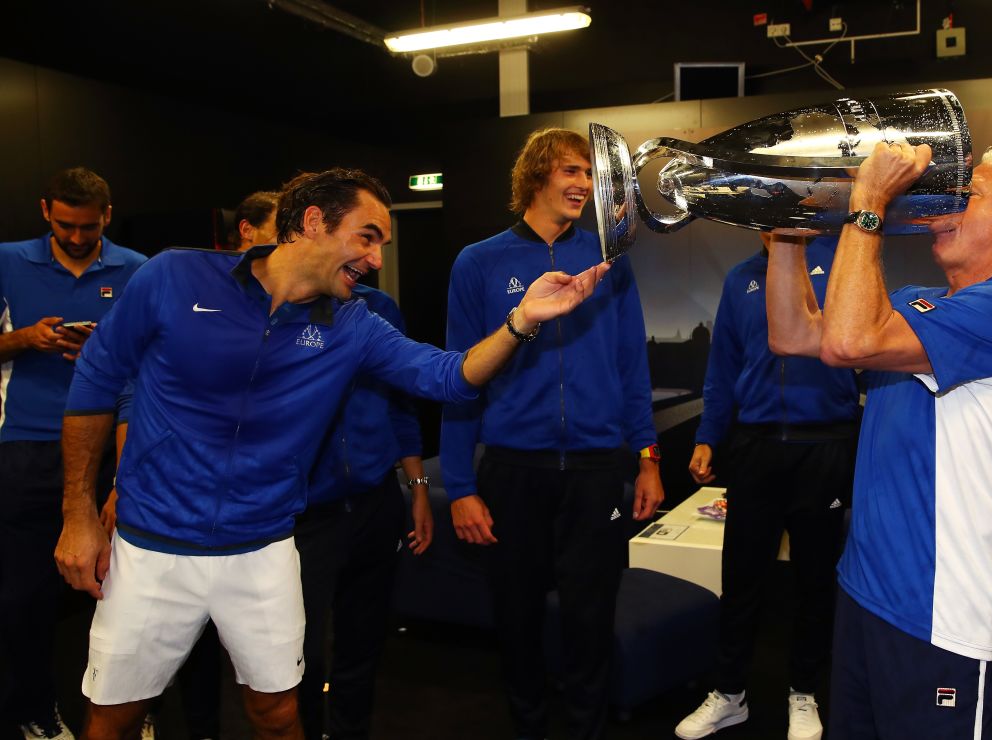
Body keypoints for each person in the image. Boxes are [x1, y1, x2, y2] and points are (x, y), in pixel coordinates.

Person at [53, 167, 609, 740]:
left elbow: (449, 377)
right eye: (366, 236)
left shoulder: (352, 324)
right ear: (313, 222)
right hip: (152, 547)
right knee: (113, 718)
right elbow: (96, 377)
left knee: (277, 715)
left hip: (262, 548)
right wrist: (77, 514)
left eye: (381, 244)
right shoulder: (174, 275)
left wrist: (521, 321)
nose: (374, 257)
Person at [764, 142, 992, 739]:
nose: (944, 204)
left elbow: (847, 343)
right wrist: (786, 234)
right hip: (863, 593)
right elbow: (794, 334)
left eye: (970, 194)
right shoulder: (913, 305)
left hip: (942, 617)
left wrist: (871, 201)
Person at [440, 128, 664, 740]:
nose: (584, 186)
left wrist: (646, 457)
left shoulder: (607, 262)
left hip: (596, 470)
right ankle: (529, 725)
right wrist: (459, 485)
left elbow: (630, 365)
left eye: (590, 176)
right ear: (536, 175)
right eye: (571, 172)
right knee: (516, 620)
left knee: (591, 620)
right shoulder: (478, 262)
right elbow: (459, 378)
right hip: (514, 471)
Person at [674, 235, 859, 740]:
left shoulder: (841, 261)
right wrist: (709, 436)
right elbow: (722, 370)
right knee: (741, 578)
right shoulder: (740, 279)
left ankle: (805, 692)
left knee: (815, 580)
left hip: (824, 443)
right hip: (755, 446)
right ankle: (730, 693)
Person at [0, 167, 146, 740]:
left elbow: (155, 360)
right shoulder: (8, 260)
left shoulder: (136, 270)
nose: (78, 237)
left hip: (116, 444)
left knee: (125, 592)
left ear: (107, 216)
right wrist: (24, 339)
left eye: (89, 226)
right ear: (44, 211)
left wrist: (102, 350)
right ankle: (33, 711)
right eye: (66, 225)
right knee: (24, 596)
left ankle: (126, 713)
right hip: (27, 448)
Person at [295, 281, 432, 740]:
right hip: (306, 514)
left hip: (376, 500)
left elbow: (401, 403)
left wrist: (417, 488)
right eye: (363, 237)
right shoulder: (282, 311)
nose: (371, 258)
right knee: (301, 654)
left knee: (363, 645)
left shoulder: (379, 308)